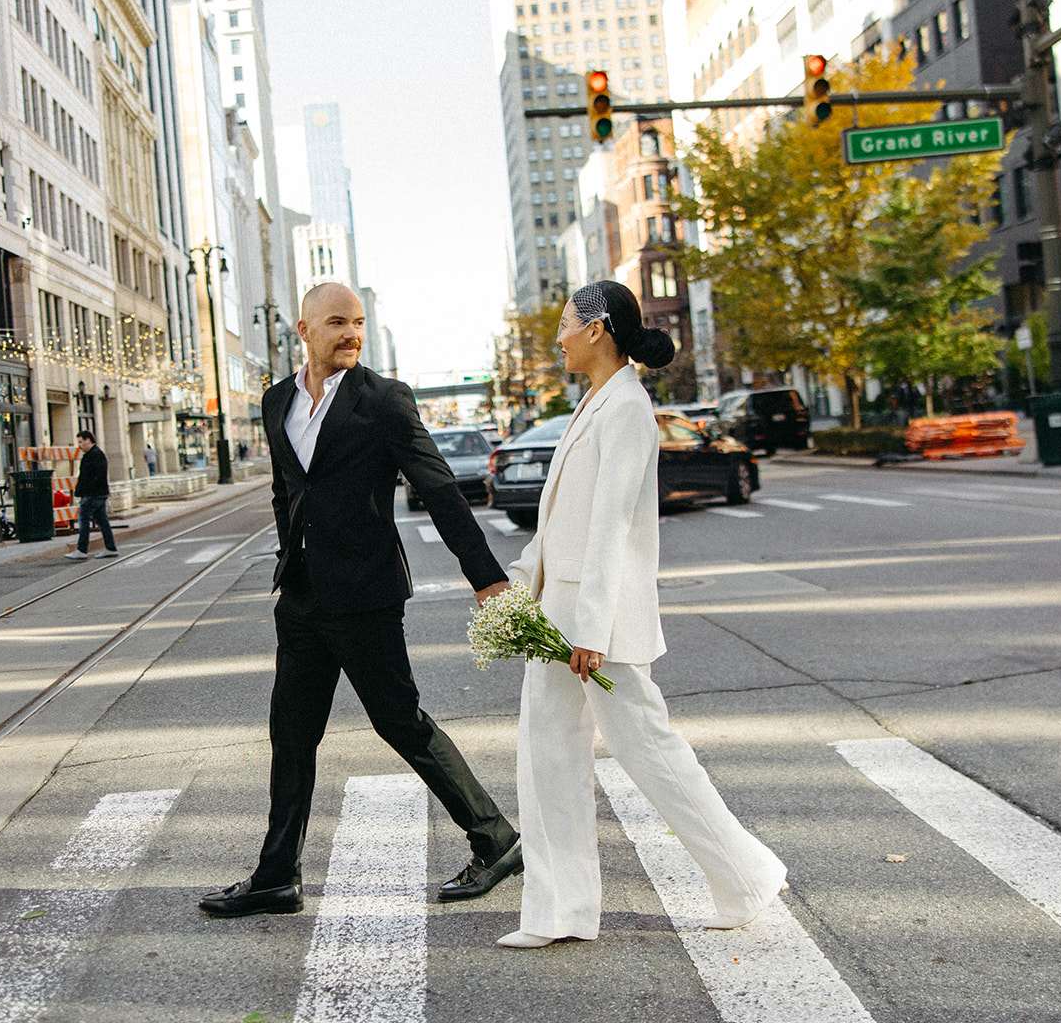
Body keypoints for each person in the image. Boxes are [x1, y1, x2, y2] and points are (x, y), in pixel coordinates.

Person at [198, 282, 522, 919]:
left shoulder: (384, 400)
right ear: (304, 329)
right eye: (338, 323)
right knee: (291, 733)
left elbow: (439, 489)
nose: (351, 334)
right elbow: (287, 491)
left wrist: (486, 578)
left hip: (365, 594)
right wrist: (289, 558)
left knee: (399, 720)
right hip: (301, 597)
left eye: (359, 323)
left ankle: (496, 839)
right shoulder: (277, 402)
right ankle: (275, 876)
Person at [497, 280, 788, 950]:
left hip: (594, 623)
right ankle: (560, 911)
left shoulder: (626, 407)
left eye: (566, 323)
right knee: (546, 756)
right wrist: (519, 585)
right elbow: (564, 517)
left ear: (596, 328)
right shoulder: (596, 401)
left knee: (649, 752)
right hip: (559, 611)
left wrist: (591, 631)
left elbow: (611, 530)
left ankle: (744, 877)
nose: (559, 336)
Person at [65, 430, 116, 559]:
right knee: (102, 521)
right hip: (99, 493)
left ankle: (82, 549)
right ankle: (110, 547)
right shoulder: (97, 454)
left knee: (83, 520)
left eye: (81, 442)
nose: (79, 445)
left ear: (88, 440)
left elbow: (88, 477)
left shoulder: (92, 456)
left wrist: (82, 491)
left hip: (91, 494)